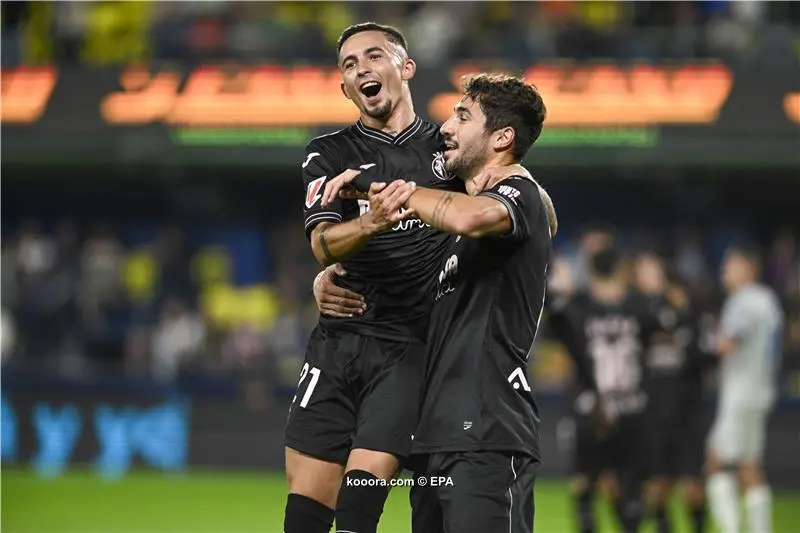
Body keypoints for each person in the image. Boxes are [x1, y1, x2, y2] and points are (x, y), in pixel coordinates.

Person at [284, 22, 526, 533]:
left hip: (408, 348)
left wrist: (539, 215)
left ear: (405, 68)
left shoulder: (450, 151)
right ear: (344, 87)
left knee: (360, 506)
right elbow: (320, 244)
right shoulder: (328, 154)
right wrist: (367, 226)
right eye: (349, 65)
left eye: (374, 56)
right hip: (335, 342)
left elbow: (506, 192)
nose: (361, 69)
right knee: (303, 516)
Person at [351, 72, 549, 533]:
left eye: (463, 116)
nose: (446, 126)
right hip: (435, 438)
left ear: (503, 137)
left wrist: (383, 188)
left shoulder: (516, 196)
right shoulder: (460, 233)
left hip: (487, 431)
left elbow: (474, 215)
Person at [548, 247, 657, 533]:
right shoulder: (639, 307)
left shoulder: (579, 307)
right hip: (630, 404)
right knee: (627, 485)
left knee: (584, 483)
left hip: (591, 405)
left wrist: (563, 293)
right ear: (621, 269)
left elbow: (556, 330)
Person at [706, 245, 783, 533]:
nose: (724, 272)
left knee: (715, 460)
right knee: (750, 464)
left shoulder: (744, 301)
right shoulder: (768, 299)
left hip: (739, 392)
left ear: (747, 268)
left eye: (730, 266)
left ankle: (731, 530)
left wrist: (706, 346)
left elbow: (727, 344)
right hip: (761, 390)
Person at [634, 252, 713, 533]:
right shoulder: (636, 310)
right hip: (653, 411)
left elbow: (705, 356)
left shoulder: (689, 310)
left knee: (693, 487)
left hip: (687, 411)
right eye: (641, 269)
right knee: (658, 486)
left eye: (651, 268)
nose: (645, 274)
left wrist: (682, 315)